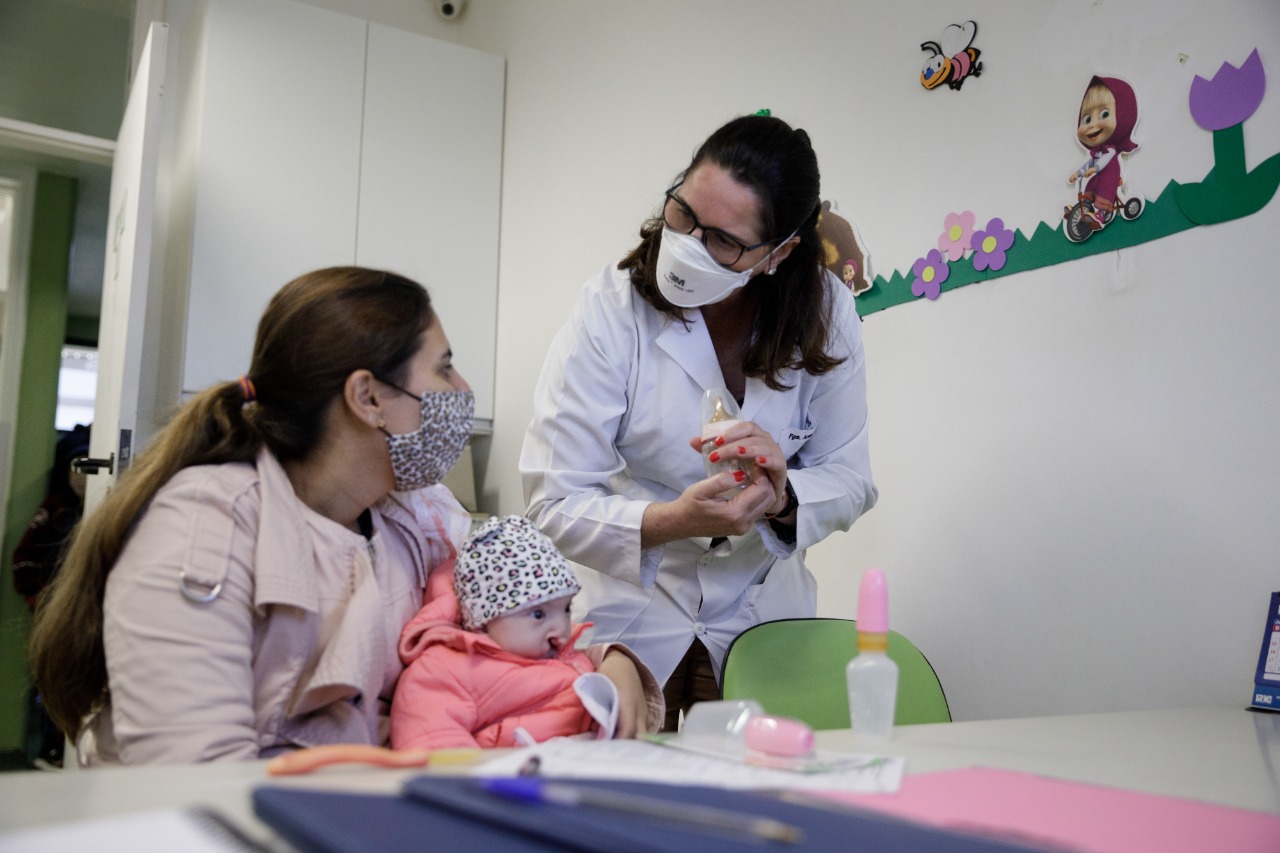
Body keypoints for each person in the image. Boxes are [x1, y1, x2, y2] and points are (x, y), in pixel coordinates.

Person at [28, 267, 655, 765]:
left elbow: (515, 613)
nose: (462, 389)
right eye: (442, 367)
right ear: (368, 397)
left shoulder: (422, 515)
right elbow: (196, 781)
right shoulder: (205, 528)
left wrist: (611, 661)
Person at [521, 113, 878, 730]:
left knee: (756, 801)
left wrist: (782, 496)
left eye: (724, 240)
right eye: (683, 213)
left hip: (759, 611)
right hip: (632, 609)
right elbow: (552, 502)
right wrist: (670, 522)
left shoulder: (827, 312)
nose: (686, 244)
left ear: (779, 253)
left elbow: (850, 477)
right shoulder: (610, 311)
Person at [391, 514, 661, 750]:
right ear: (484, 619)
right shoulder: (444, 670)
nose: (561, 629)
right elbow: (433, 746)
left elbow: (590, 660)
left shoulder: (556, 652)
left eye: (566, 609)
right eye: (538, 614)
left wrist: (616, 659)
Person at [1067, 76, 1140, 230]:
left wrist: (1096, 168)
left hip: (1109, 174)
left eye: (1104, 114)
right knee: (1091, 187)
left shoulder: (1110, 149)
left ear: (1121, 114)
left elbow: (1105, 160)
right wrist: (1078, 173)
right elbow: (1089, 162)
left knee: (1105, 189)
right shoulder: (1096, 151)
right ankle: (1080, 209)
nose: (1092, 124)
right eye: (1086, 119)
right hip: (1098, 175)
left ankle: (1100, 215)